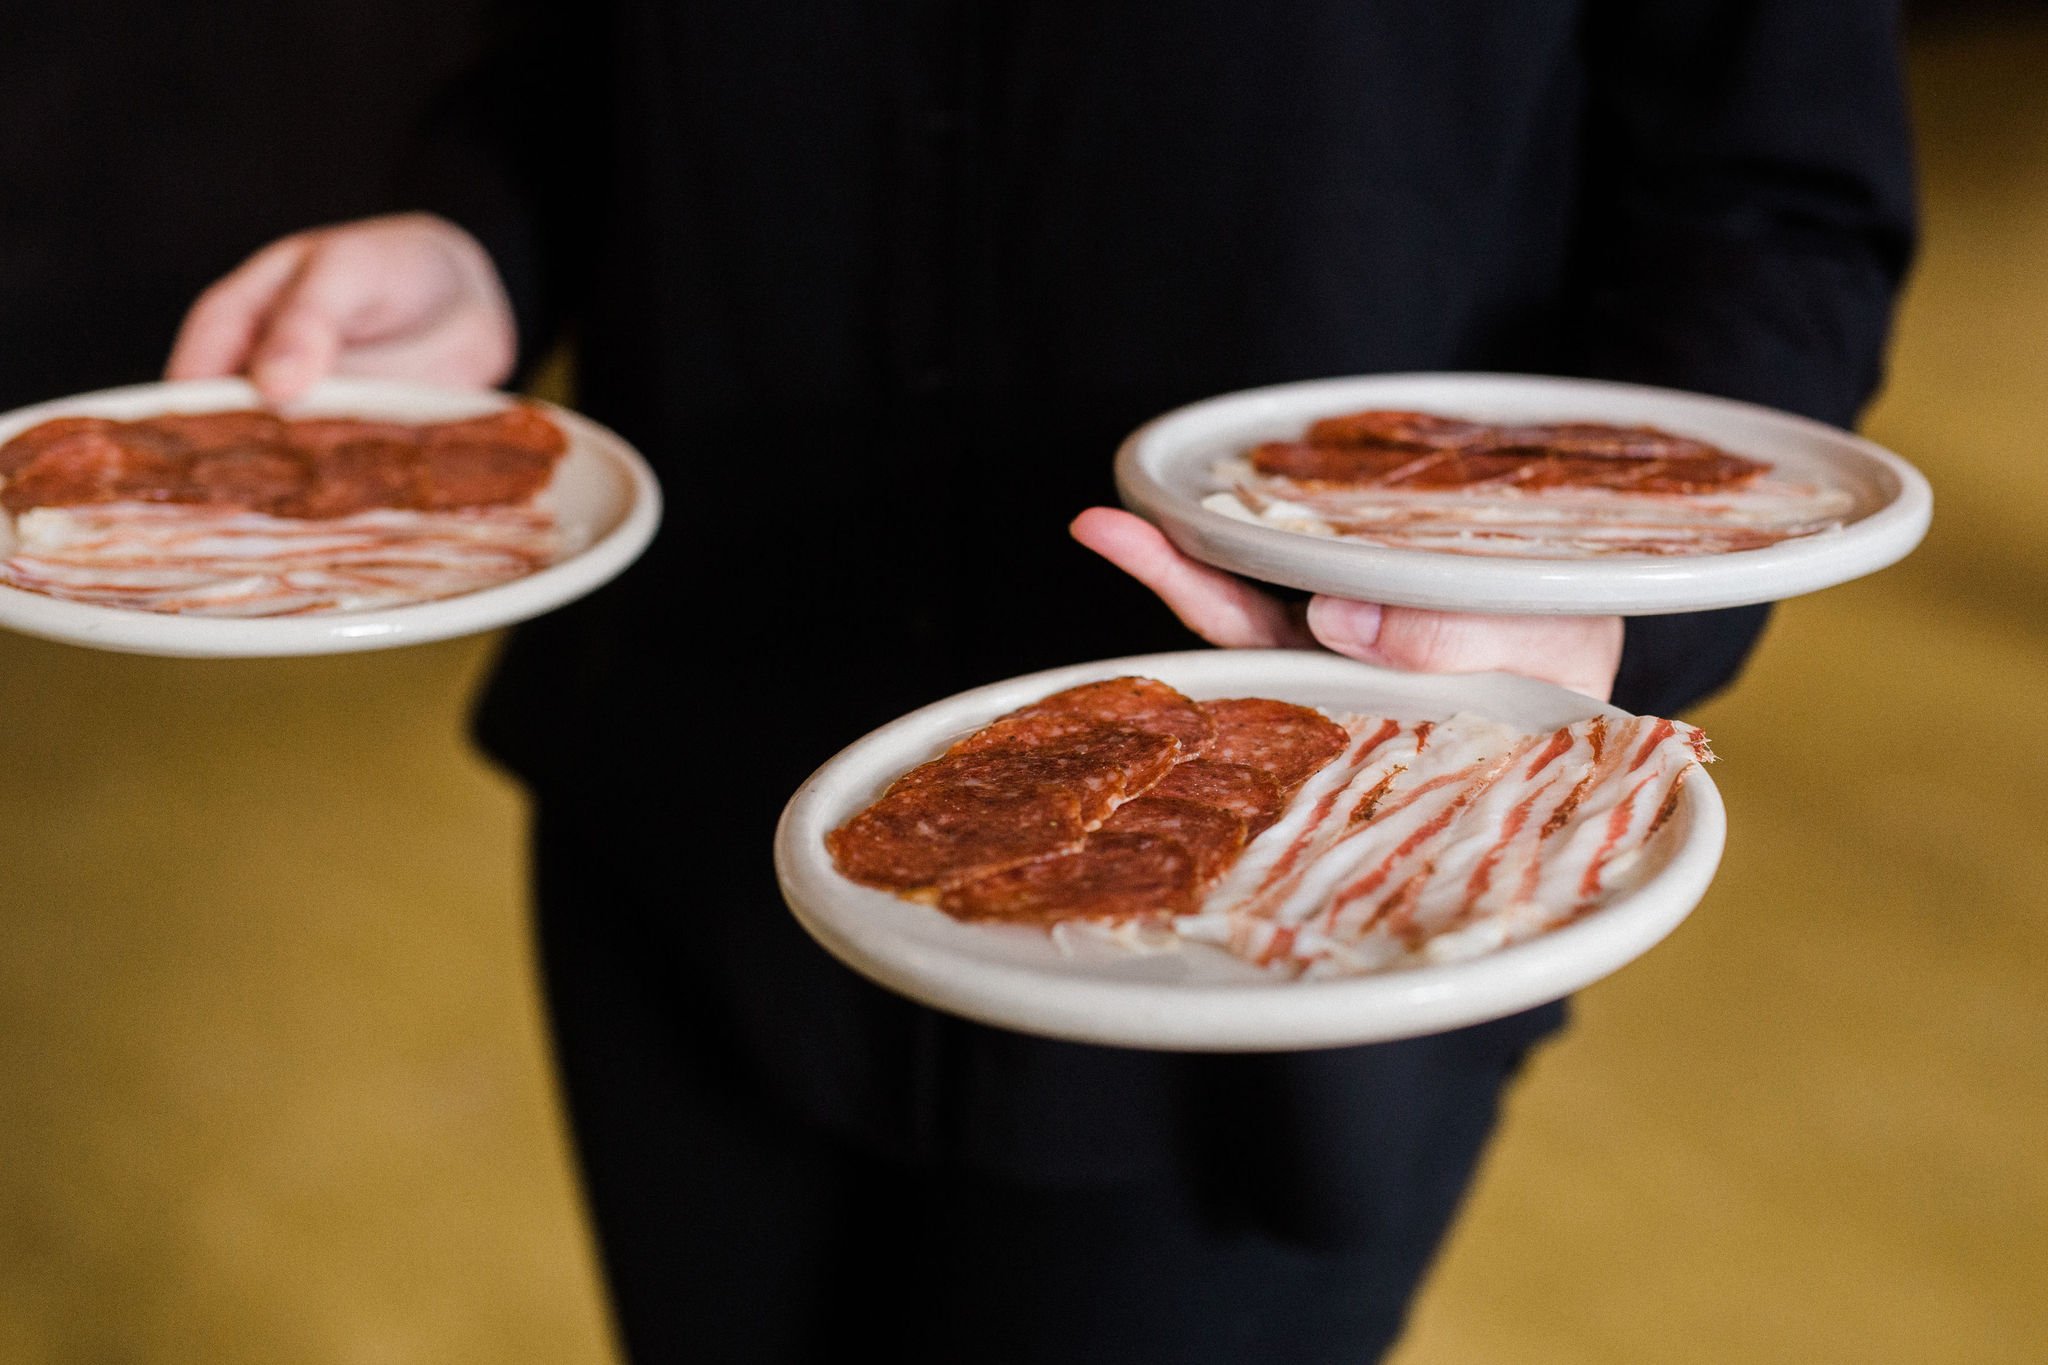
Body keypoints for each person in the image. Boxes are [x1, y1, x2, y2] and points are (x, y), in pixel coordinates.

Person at [165, 3, 1914, 1360]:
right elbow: (580, 50)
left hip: (1311, 859)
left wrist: (1589, 598)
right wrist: (484, 232)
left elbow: (1773, 191)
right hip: (699, 794)